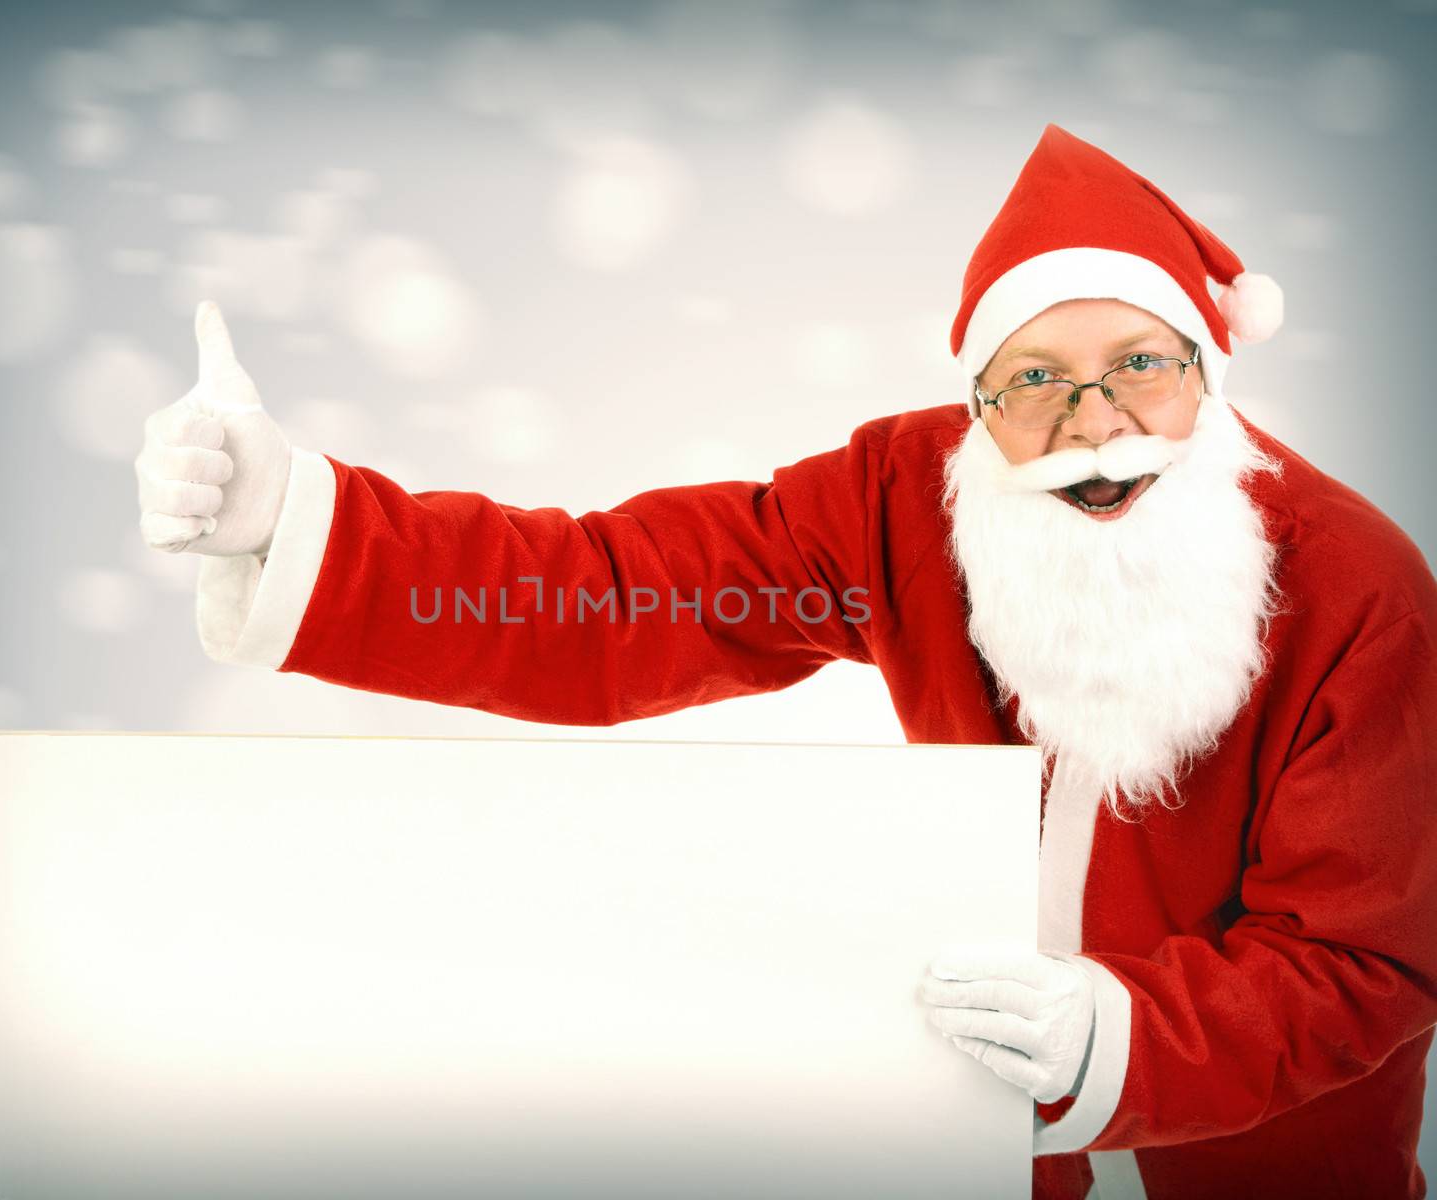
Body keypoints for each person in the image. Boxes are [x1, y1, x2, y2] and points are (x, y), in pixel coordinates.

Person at [134, 124, 1437, 1199]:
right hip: (983, 1162)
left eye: (1140, 366)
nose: (1093, 423)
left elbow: (1367, 961)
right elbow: (619, 597)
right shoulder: (906, 504)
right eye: (1031, 377)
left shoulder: (1356, 589)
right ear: (977, 400)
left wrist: (1122, 1041)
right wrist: (299, 521)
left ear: (1210, 371)